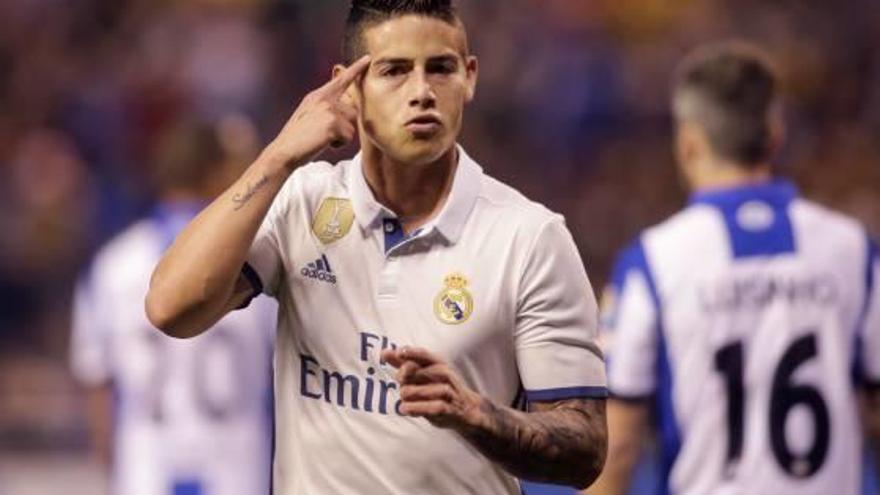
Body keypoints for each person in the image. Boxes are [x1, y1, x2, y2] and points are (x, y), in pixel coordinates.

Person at [145, 0, 609, 493]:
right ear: (349, 86)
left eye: (441, 68)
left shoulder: (530, 238)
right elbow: (171, 308)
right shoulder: (302, 203)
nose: (423, 92)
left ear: (469, 77)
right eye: (394, 71)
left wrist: (476, 414)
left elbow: (585, 447)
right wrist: (277, 157)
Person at [588, 42, 880, 495]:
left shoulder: (653, 261)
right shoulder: (854, 251)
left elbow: (618, 445)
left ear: (688, 144)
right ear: (775, 135)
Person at [71, 117, 276, 495]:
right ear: (218, 171)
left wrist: (113, 466)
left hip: (146, 467)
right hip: (237, 465)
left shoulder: (114, 263)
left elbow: (97, 383)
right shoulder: (261, 254)